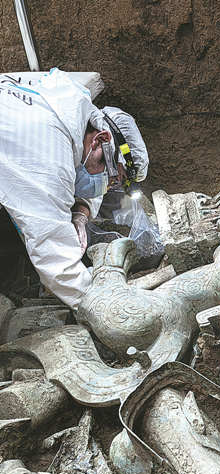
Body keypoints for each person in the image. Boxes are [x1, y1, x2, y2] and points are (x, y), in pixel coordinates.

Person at [0, 69, 148, 309]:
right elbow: (55, 259)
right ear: (100, 139)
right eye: (107, 172)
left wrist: (82, 210)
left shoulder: (73, 103)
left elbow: (89, 171)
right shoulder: (47, 154)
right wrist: (102, 305)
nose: (105, 183)